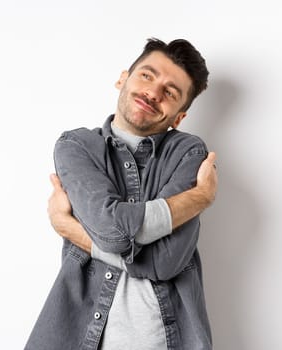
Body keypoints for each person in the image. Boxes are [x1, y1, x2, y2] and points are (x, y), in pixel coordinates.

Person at [26, 38, 217, 350]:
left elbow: (166, 262)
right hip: (76, 336)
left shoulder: (187, 152)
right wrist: (199, 198)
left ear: (179, 117)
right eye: (147, 75)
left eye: (170, 92)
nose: (154, 92)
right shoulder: (76, 146)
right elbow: (112, 233)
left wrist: (73, 231)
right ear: (122, 78)